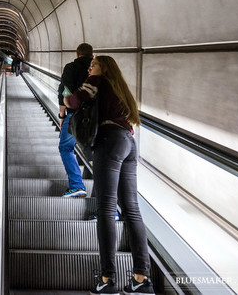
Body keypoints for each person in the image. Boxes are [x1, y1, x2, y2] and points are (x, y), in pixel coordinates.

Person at [64, 56, 154, 295]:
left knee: (106, 208)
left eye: (93, 65)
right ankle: (141, 278)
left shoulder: (97, 80)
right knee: (131, 209)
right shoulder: (120, 87)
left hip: (109, 142)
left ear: (103, 68)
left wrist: (66, 96)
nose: (90, 68)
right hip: (129, 143)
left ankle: (108, 279)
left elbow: (73, 100)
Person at [57, 43, 94, 197]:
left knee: (65, 147)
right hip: (96, 118)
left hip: (76, 116)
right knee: (97, 156)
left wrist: (62, 114)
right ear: (92, 55)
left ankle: (77, 185)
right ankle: (106, 204)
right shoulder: (98, 69)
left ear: (77, 54)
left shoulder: (71, 67)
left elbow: (64, 90)